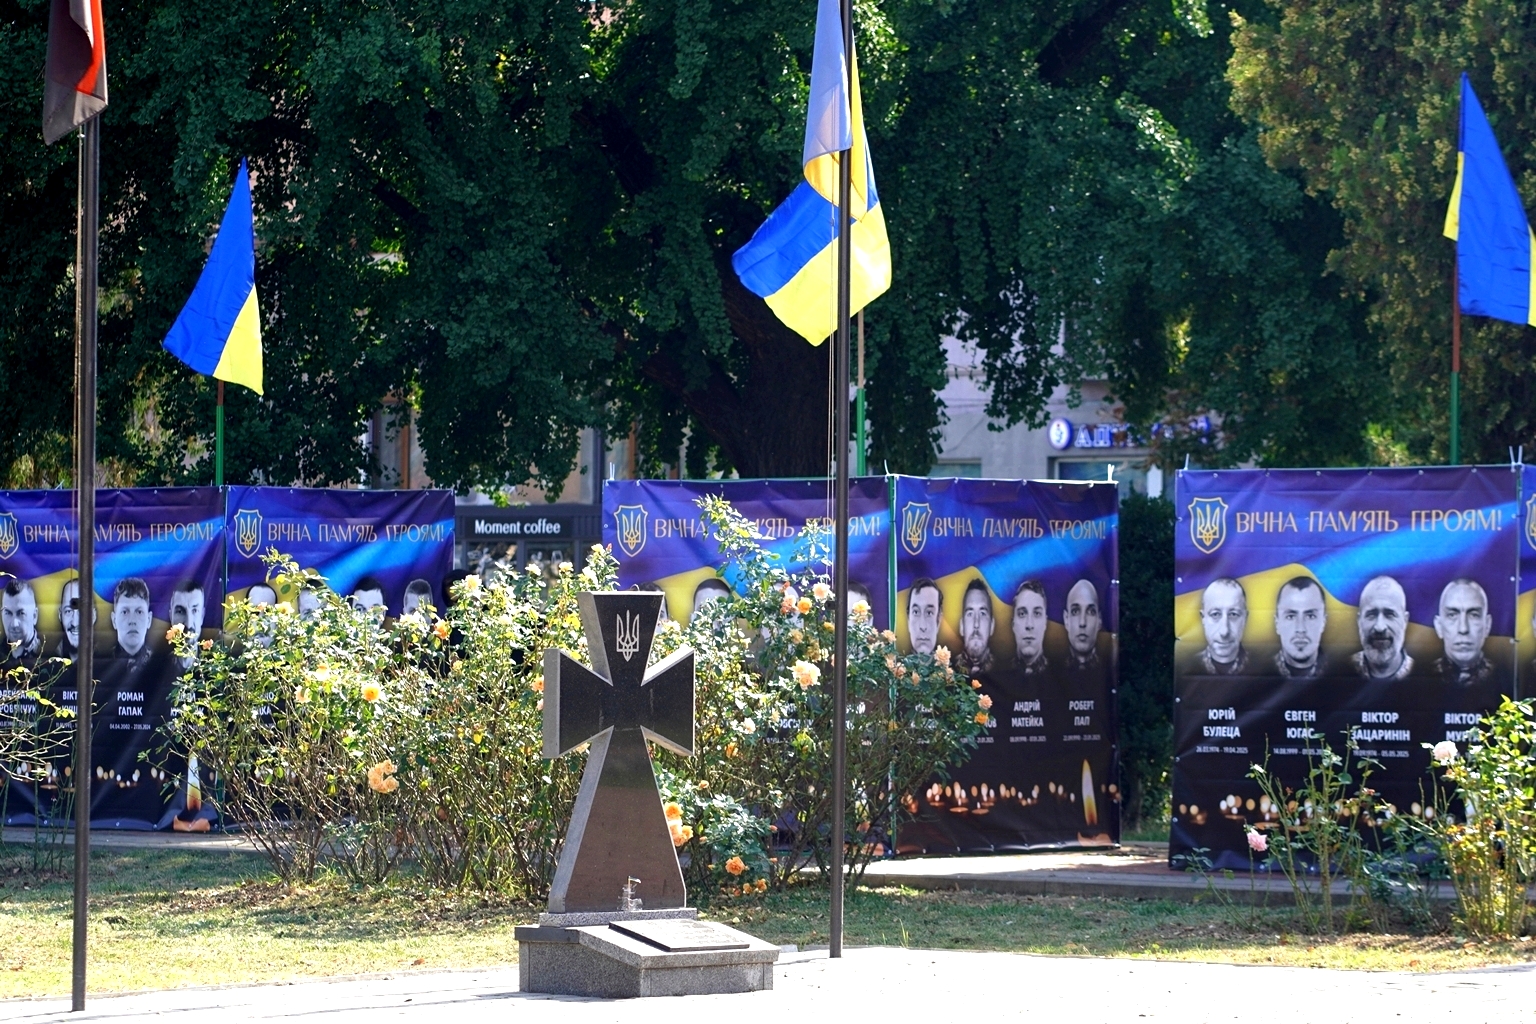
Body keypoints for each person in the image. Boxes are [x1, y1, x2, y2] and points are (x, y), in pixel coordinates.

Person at [1433, 578, 1492, 687]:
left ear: (1487, 625)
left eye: (1474, 615)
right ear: (1439, 626)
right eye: (1452, 615)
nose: (1463, 629)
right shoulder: (1421, 677)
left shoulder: (1503, 676)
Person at [1351, 575, 1413, 681]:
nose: (1380, 627)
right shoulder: (1340, 669)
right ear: (1359, 621)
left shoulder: (1424, 673)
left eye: (1390, 614)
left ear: (1405, 621)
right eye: (1371, 615)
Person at [1273, 577, 1327, 678]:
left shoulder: (1343, 671)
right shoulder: (1259, 672)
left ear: (1323, 622)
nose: (1301, 629)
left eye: (1310, 616)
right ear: (1277, 623)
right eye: (1290, 617)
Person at [1197, 578, 1248, 675]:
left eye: (1233, 614)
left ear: (1245, 618)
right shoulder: (1185, 665)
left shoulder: (1264, 667)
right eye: (1215, 614)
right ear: (1203, 618)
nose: (1224, 631)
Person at [106, 577, 153, 672]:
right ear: (114, 620)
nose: (132, 620)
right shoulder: (97, 665)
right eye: (125, 612)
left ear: (149, 620)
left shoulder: (162, 665)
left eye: (139, 612)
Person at [957, 577, 995, 676]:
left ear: (992, 626)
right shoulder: (946, 674)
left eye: (982, 614)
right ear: (961, 626)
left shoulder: (1005, 673)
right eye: (970, 614)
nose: (976, 624)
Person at [1010, 580, 1049, 675]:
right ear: (1013, 623)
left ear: (1045, 623)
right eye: (1022, 614)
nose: (1029, 625)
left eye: (1037, 613)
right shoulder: (999, 674)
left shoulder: (1060, 676)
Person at [167, 579, 206, 674]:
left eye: (195, 611)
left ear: (202, 616)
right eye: (180, 611)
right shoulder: (155, 671)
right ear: (171, 616)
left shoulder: (216, 669)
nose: (188, 624)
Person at [1064, 579, 1102, 670]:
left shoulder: (1110, 668)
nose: (1082, 622)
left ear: (1099, 620)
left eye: (1091, 612)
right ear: (1066, 619)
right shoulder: (1052, 668)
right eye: (1075, 611)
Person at [1, 579, 41, 664]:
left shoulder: (50, 657)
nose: (14, 624)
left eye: (21, 613)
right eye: (8, 613)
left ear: (34, 616)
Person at [53, 577, 94, 660]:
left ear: (93, 616)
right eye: (68, 611)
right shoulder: (47, 663)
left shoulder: (110, 662)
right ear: (60, 615)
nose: (75, 623)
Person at [906, 577, 942, 657]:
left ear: (939, 621)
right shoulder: (894, 665)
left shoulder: (953, 665)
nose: (923, 626)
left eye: (929, 613)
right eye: (916, 612)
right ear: (908, 619)